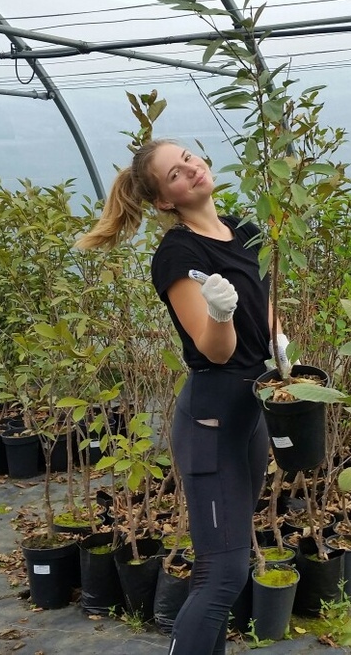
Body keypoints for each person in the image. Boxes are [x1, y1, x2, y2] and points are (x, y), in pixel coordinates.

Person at [76, 139, 281, 655]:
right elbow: (216, 351)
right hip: (213, 417)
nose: (190, 169)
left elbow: (267, 303)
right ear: (165, 201)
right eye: (174, 174)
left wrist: (281, 343)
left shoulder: (245, 230)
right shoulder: (178, 253)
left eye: (188, 157)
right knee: (222, 573)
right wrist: (219, 313)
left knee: (230, 565)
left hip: (253, 410)